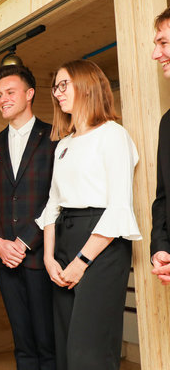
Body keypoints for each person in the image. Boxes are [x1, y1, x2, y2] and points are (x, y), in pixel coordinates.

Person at [36, 59, 141, 370]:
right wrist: (49, 257)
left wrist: (82, 261)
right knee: (67, 351)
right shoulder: (63, 144)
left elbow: (119, 205)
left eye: (64, 84)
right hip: (64, 239)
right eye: (55, 86)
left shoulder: (112, 134)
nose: (57, 93)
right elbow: (52, 204)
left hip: (101, 244)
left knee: (89, 352)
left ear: (87, 85)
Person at [0, 64, 56, 370]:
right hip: (5, 259)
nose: (3, 99)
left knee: (47, 343)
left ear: (30, 94)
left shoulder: (54, 138)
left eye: (10, 92)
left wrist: (23, 242)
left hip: (40, 255)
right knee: (21, 343)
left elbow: (56, 199)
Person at [151, 6, 170, 284]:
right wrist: (161, 247)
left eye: (164, 43)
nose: (156, 54)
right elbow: (163, 198)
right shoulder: (167, 123)